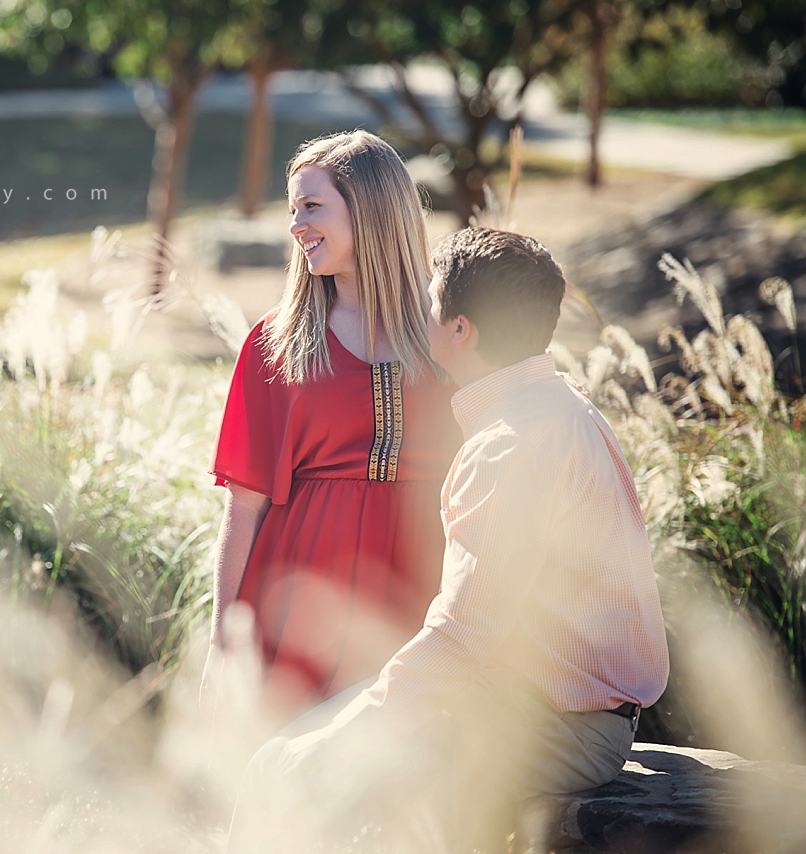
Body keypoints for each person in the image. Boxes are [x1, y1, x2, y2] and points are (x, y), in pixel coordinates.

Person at [225, 227, 671, 853]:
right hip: (546, 708)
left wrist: (338, 739)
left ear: (461, 330)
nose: (421, 313)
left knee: (295, 770)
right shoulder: (556, 407)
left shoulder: (511, 445)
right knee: (294, 758)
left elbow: (466, 634)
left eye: (432, 301)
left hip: (554, 723)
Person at [202, 130, 462, 721]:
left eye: (312, 207)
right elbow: (244, 508)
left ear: (370, 208)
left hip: (422, 592)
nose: (296, 225)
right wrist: (223, 645)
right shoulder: (277, 342)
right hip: (299, 597)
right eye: (293, 209)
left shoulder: (453, 330)